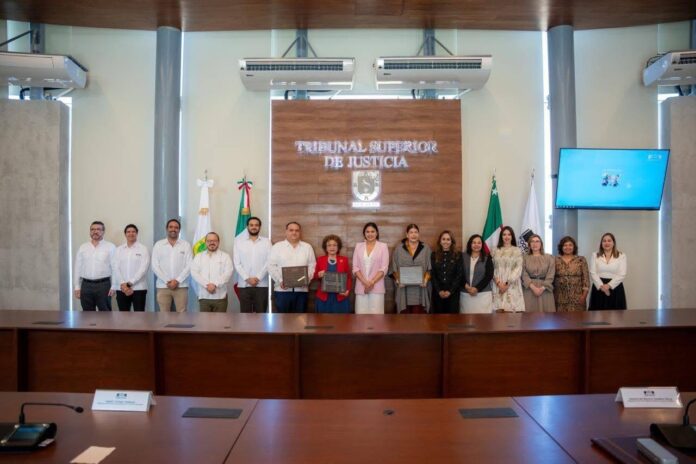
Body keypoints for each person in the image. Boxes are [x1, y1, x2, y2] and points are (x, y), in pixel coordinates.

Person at [268, 222, 316, 313]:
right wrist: (280, 280)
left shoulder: (307, 247)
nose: (294, 232)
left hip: (301, 290)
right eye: (291, 230)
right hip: (282, 290)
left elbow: (312, 265)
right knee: (283, 319)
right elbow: (271, 266)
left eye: (297, 230)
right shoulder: (277, 247)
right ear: (286, 232)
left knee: (300, 319)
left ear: (300, 232)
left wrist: (307, 280)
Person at [151, 218, 192, 312]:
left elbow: (189, 265)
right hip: (163, 286)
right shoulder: (158, 245)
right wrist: (167, 281)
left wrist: (177, 281)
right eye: (171, 227)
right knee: (164, 315)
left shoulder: (186, 245)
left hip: (181, 286)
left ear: (179, 230)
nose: (173, 229)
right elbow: (155, 266)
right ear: (167, 229)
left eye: (176, 227)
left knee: (182, 314)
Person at [389, 224, 432, 314]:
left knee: (419, 317)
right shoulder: (399, 248)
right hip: (404, 289)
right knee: (405, 318)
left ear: (419, 234)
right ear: (407, 234)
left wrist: (425, 280)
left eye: (416, 232)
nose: (413, 235)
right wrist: (398, 280)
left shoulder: (426, 248)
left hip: (420, 288)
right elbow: (393, 267)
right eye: (411, 232)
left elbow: (430, 267)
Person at [73, 221, 116, 311]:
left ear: (103, 231)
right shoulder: (83, 247)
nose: (95, 231)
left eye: (98, 229)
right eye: (92, 229)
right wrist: (77, 286)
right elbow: (78, 267)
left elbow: (115, 268)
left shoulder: (110, 247)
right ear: (90, 231)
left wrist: (114, 286)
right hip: (86, 285)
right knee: (87, 314)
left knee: (105, 313)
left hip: (103, 285)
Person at [233, 216, 272, 313]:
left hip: (262, 285)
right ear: (247, 227)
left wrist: (258, 278)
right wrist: (247, 278)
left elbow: (269, 261)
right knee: (245, 315)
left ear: (260, 227)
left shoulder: (267, 242)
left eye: (256, 225)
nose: (254, 227)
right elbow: (237, 263)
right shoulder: (238, 242)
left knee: (261, 315)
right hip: (244, 285)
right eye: (251, 225)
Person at [191, 232, 234, 312]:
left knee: (220, 320)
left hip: (220, 297)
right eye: (209, 241)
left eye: (214, 240)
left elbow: (228, 273)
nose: (212, 242)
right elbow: (194, 272)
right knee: (204, 320)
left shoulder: (225, 256)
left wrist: (215, 284)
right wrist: (207, 285)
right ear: (205, 242)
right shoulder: (198, 256)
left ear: (218, 242)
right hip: (204, 296)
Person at [352, 222, 389, 314]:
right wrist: (365, 282)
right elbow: (355, 267)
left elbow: (384, 268)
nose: (370, 234)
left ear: (377, 233)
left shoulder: (383, 246)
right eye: (367, 232)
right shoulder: (358, 246)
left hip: (377, 287)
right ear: (364, 233)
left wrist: (372, 282)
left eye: (373, 231)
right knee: (360, 315)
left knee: (376, 317)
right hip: (361, 286)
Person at [111, 224, 149, 311]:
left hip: (139, 288)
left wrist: (130, 283)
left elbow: (143, 268)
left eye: (133, 232)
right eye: (128, 232)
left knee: (139, 316)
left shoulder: (143, 249)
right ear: (125, 234)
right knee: (123, 316)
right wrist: (123, 284)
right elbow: (115, 267)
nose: (131, 234)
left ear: (137, 233)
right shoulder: (119, 249)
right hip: (122, 288)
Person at [313, 234, 352, 313]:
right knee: (323, 320)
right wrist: (319, 275)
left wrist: (347, 290)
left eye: (334, 245)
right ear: (325, 247)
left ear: (338, 247)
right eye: (329, 245)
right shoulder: (320, 259)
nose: (332, 247)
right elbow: (315, 276)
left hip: (340, 297)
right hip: (324, 297)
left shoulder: (344, 260)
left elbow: (348, 277)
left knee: (341, 320)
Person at [589, 232, 627, 310]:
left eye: (609, 241)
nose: (607, 243)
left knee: (616, 315)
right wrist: (602, 286)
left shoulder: (621, 256)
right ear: (601, 243)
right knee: (598, 314)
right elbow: (593, 272)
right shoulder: (595, 255)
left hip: (615, 288)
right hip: (599, 287)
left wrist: (608, 286)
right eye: (604, 241)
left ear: (613, 243)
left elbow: (622, 274)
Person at [491, 226, 525, 312]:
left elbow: (518, 268)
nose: (506, 237)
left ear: (512, 236)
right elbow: (491, 268)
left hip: (512, 285)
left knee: (512, 315)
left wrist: (507, 283)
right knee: (497, 314)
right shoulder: (494, 250)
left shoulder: (517, 250)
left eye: (509, 234)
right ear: (501, 236)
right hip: (497, 284)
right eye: (504, 234)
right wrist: (498, 283)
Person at [430, 230, 463, 314]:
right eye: (443, 239)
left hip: (453, 293)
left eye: (448, 239)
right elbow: (433, 274)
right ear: (440, 241)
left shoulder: (458, 255)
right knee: (438, 318)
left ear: (452, 241)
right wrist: (439, 290)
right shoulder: (434, 255)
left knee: (452, 318)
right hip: (438, 293)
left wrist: (450, 291)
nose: (446, 241)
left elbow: (459, 275)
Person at [554, 236, 590, 312]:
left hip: (577, 298)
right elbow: (552, 278)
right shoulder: (555, 260)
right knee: (560, 319)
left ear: (574, 247)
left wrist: (584, 296)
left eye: (570, 245)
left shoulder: (581, 260)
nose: (568, 247)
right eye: (565, 245)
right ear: (561, 247)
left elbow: (586, 279)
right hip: (560, 298)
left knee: (577, 318)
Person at [460, 234, 494, 314]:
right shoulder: (463, 256)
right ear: (470, 244)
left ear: (482, 245)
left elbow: (489, 275)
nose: (476, 245)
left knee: (483, 320)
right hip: (466, 294)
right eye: (474, 242)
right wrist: (466, 286)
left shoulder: (487, 257)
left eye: (479, 243)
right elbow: (459, 273)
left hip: (483, 295)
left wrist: (477, 288)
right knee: (466, 319)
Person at [522, 234, 556, 312]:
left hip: (545, 289)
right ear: (529, 244)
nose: (535, 244)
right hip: (529, 289)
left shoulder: (549, 257)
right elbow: (523, 273)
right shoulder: (524, 257)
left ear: (541, 244)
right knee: (529, 315)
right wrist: (533, 288)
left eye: (537, 241)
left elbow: (551, 274)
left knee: (546, 316)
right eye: (532, 242)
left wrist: (542, 288)